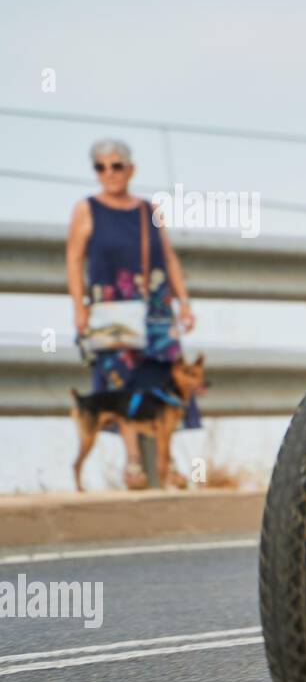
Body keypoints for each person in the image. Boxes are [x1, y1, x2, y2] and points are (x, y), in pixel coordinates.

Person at [66, 138, 200, 489]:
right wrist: (78, 305)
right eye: (101, 166)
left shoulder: (148, 210)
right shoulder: (87, 209)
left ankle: (166, 465)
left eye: (116, 165)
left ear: (130, 169)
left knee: (160, 382)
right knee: (121, 386)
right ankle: (135, 465)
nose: (109, 173)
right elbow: (74, 259)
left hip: (154, 308)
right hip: (111, 310)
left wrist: (183, 301)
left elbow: (168, 257)